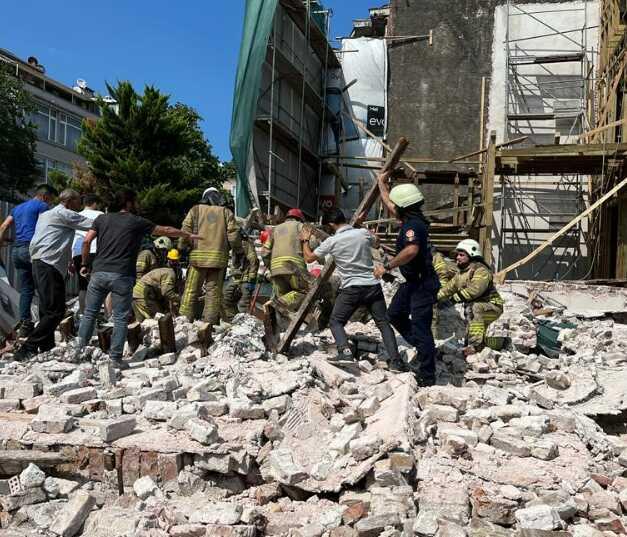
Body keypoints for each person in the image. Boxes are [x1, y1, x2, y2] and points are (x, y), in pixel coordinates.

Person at [77, 190, 199, 366]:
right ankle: (115, 359)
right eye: (135, 201)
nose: (138, 204)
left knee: (89, 313)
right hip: (122, 275)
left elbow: (87, 241)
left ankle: (78, 351)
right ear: (128, 203)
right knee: (120, 317)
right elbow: (165, 230)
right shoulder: (136, 221)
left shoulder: (101, 219)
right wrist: (186, 235)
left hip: (98, 272)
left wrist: (84, 263)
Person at [300, 208, 403, 367]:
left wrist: (305, 240)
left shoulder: (332, 241)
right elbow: (377, 242)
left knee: (336, 321)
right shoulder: (362, 233)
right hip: (373, 286)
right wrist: (364, 227)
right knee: (383, 323)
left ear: (331, 224)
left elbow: (308, 258)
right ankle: (396, 362)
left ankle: (345, 352)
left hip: (351, 288)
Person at [374, 172, 440, 386]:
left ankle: (427, 375)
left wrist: (387, 266)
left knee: (421, 326)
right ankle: (424, 348)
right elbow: (391, 204)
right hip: (412, 282)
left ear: (404, 206)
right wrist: (381, 183)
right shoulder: (411, 218)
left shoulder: (413, 226)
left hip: (422, 283)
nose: (392, 208)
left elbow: (411, 250)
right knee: (394, 314)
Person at [13, 189, 93, 359]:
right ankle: (28, 347)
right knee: (56, 311)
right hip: (49, 264)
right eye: (78, 201)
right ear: (70, 201)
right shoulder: (64, 214)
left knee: (46, 309)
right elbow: (93, 224)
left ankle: (46, 346)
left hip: (39, 262)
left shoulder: (48, 214)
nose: (80, 205)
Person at [179, 187, 241, 326]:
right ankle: (209, 324)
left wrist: (181, 247)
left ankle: (183, 322)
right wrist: (238, 250)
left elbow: (185, 230)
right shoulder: (226, 212)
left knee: (190, 291)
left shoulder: (195, 210)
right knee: (213, 294)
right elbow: (234, 235)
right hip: (218, 261)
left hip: (197, 260)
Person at [0, 185, 57, 336]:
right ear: (45, 197)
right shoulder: (43, 206)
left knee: (26, 289)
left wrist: (0, 243)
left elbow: (4, 226)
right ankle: (45, 324)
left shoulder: (18, 208)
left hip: (17, 251)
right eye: (51, 200)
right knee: (44, 286)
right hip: (32, 250)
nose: (51, 203)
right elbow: (48, 228)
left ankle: (25, 323)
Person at [437, 239, 504, 356]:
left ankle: (475, 347)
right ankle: (501, 343)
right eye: (457, 254)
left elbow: (475, 290)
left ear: (472, 254)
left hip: (493, 306)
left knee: (474, 309)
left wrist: (452, 300)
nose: (457, 257)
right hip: (478, 308)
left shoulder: (481, 270)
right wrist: (433, 298)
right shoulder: (461, 273)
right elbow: (448, 289)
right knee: (471, 332)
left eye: (461, 255)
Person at [261, 208, 310, 312]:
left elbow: (265, 252)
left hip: (276, 270)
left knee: (284, 308)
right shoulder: (300, 226)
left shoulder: (274, 229)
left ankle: (281, 324)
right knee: (305, 292)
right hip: (294, 267)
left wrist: (271, 267)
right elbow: (312, 243)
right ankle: (274, 304)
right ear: (300, 219)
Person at [71, 194, 103, 313]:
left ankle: (83, 314)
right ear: (95, 203)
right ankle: (100, 314)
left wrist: (71, 258)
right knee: (99, 285)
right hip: (96, 251)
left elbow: (72, 238)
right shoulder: (100, 215)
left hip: (78, 252)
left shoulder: (75, 215)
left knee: (82, 285)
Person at [222, 222, 260, 322]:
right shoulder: (234, 245)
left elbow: (254, 260)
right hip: (235, 278)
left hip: (245, 279)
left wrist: (251, 279)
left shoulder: (246, 244)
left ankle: (244, 324)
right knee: (227, 299)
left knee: (243, 304)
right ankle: (232, 320)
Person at [133, 249, 181, 321]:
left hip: (137, 293)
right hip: (143, 294)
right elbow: (166, 292)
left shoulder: (163, 270)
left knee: (142, 323)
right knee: (158, 319)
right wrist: (180, 299)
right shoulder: (170, 273)